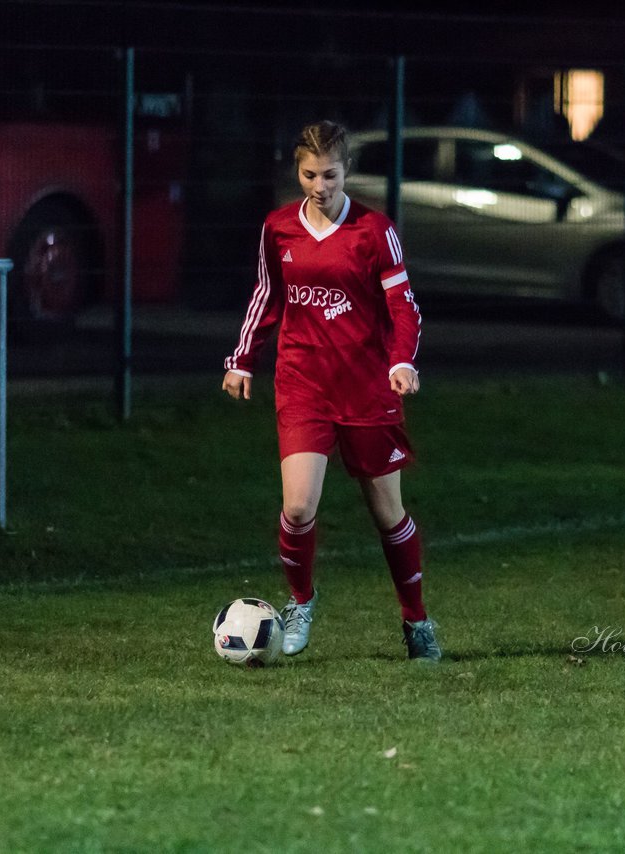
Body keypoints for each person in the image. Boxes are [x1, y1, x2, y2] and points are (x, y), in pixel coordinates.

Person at [222, 120, 440, 662]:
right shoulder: (278, 228)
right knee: (297, 507)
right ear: (297, 171)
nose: (319, 186)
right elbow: (267, 298)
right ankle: (300, 602)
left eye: (331, 175)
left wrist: (402, 362)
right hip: (303, 384)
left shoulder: (374, 230)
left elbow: (403, 306)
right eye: (309, 175)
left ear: (348, 172)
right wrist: (243, 359)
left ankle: (416, 621)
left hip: (367, 387)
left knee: (388, 513)